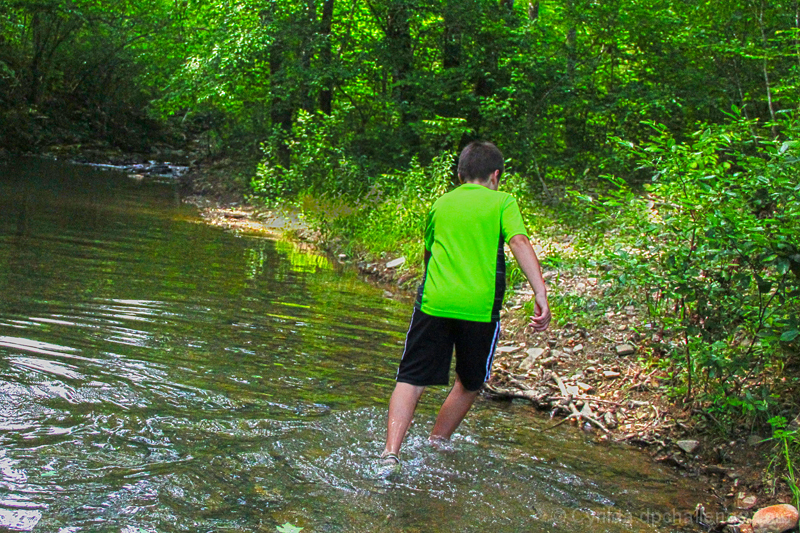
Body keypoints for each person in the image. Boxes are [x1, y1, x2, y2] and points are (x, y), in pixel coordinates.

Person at [380, 141, 551, 469]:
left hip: (434, 302)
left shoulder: (440, 204)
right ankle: (437, 442)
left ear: (459, 175)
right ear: (496, 175)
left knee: (411, 379)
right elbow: (518, 241)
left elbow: (429, 253)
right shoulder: (503, 202)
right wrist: (539, 292)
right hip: (479, 308)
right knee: (470, 382)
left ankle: (391, 453)